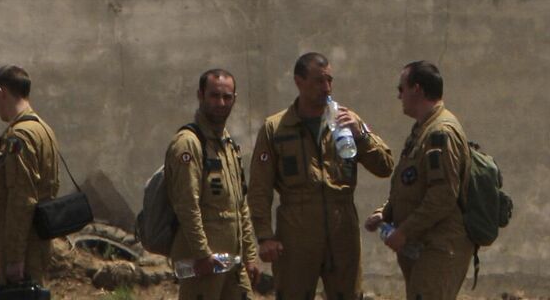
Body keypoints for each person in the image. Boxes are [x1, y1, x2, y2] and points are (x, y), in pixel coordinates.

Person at [249, 53, 394, 300]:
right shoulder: (276, 128)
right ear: (299, 81)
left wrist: (361, 135)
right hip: (297, 233)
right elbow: (259, 188)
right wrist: (264, 236)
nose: (326, 88)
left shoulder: (347, 121)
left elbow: (385, 166)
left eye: (329, 80)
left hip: (342, 229)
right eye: (318, 81)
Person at [364, 61, 472, 300]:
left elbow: (443, 195)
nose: (398, 96)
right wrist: (386, 213)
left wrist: (404, 231)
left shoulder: (439, 133)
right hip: (422, 247)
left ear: (417, 89)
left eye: (401, 89)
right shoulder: (421, 131)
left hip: (440, 247)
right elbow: (412, 186)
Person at [169, 69, 262, 300]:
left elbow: (240, 205)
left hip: (233, 262)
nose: (221, 103)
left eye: (227, 97)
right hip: (205, 264)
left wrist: (250, 255)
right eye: (214, 96)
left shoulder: (228, 144)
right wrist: (202, 254)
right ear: (200, 95)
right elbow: (187, 205)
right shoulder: (189, 144)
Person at [0, 65, 62, 285]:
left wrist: (14, 258)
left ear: (1, 92)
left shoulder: (20, 136)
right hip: (36, 244)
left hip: (25, 249)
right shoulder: (43, 130)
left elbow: (22, 198)